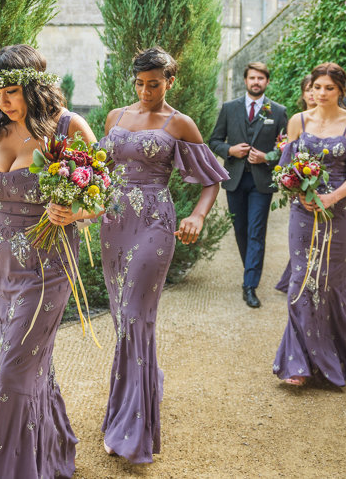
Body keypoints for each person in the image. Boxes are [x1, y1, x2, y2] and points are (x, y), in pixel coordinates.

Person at [0, 44, 96, 479]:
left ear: (34, 86)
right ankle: (53, 451)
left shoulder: (68, 126)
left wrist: (72, 212)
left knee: (12, 371)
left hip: (48, 265)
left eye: (11, 91)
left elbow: (105, 196)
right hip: (3, 265)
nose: (3, 101)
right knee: (30, 364)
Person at [97, 47, 226, 462]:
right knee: (122, 320)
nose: (145, 91)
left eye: (154, 83)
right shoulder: (115, 117)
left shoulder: (179, 123)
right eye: (139, 83)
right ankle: (140, 388)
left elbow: (212, 180)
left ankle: (132, 425)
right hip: (114, 225)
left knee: (136, 316)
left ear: (170, 81)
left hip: (155, 222)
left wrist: (198, 216)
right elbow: (100, 171)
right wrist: (82, 202)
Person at [273, 62, 346, 387]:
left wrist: (331, 198)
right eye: (317, 87)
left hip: (341, 213)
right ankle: (298, 363)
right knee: (301, 280)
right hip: (303, 212)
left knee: (330, 282)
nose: (321, 93)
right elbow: (286, 169)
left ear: (341, 90)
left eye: (329, 88)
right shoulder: (298, 121)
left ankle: (336, 357)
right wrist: (297, 192)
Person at [209, 62, 287, 307]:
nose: (256, 82)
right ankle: (250, 270)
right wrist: (230, 150)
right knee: (241, 230)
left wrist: (267, 157)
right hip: (235, 179)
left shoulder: (278, 111)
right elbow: (214, 140)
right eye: (252, 78)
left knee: (256, 232)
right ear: (245, 80)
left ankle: (250, 285)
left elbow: (285, 148)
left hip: (262, 181)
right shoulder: (229, 108)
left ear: (267, 82)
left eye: (261, 78)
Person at [275, 74, 317, 293]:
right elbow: (288, 158)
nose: (313, 94)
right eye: (308, 89)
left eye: (315, 88)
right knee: (302, 239)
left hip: (325, 187)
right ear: (303, 93)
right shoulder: (297, 121)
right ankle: (298, 283)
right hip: (300, 188)